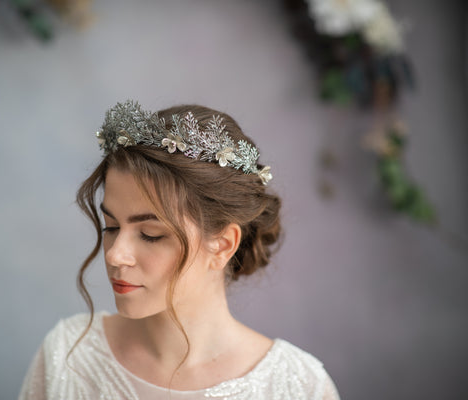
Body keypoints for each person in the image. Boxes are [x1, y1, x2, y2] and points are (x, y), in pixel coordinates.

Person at [18, 100, 340, 399]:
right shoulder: (66, 358)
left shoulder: (299, 388)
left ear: (223, 245)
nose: (115, 255)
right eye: (112, 227)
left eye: (150, 234)